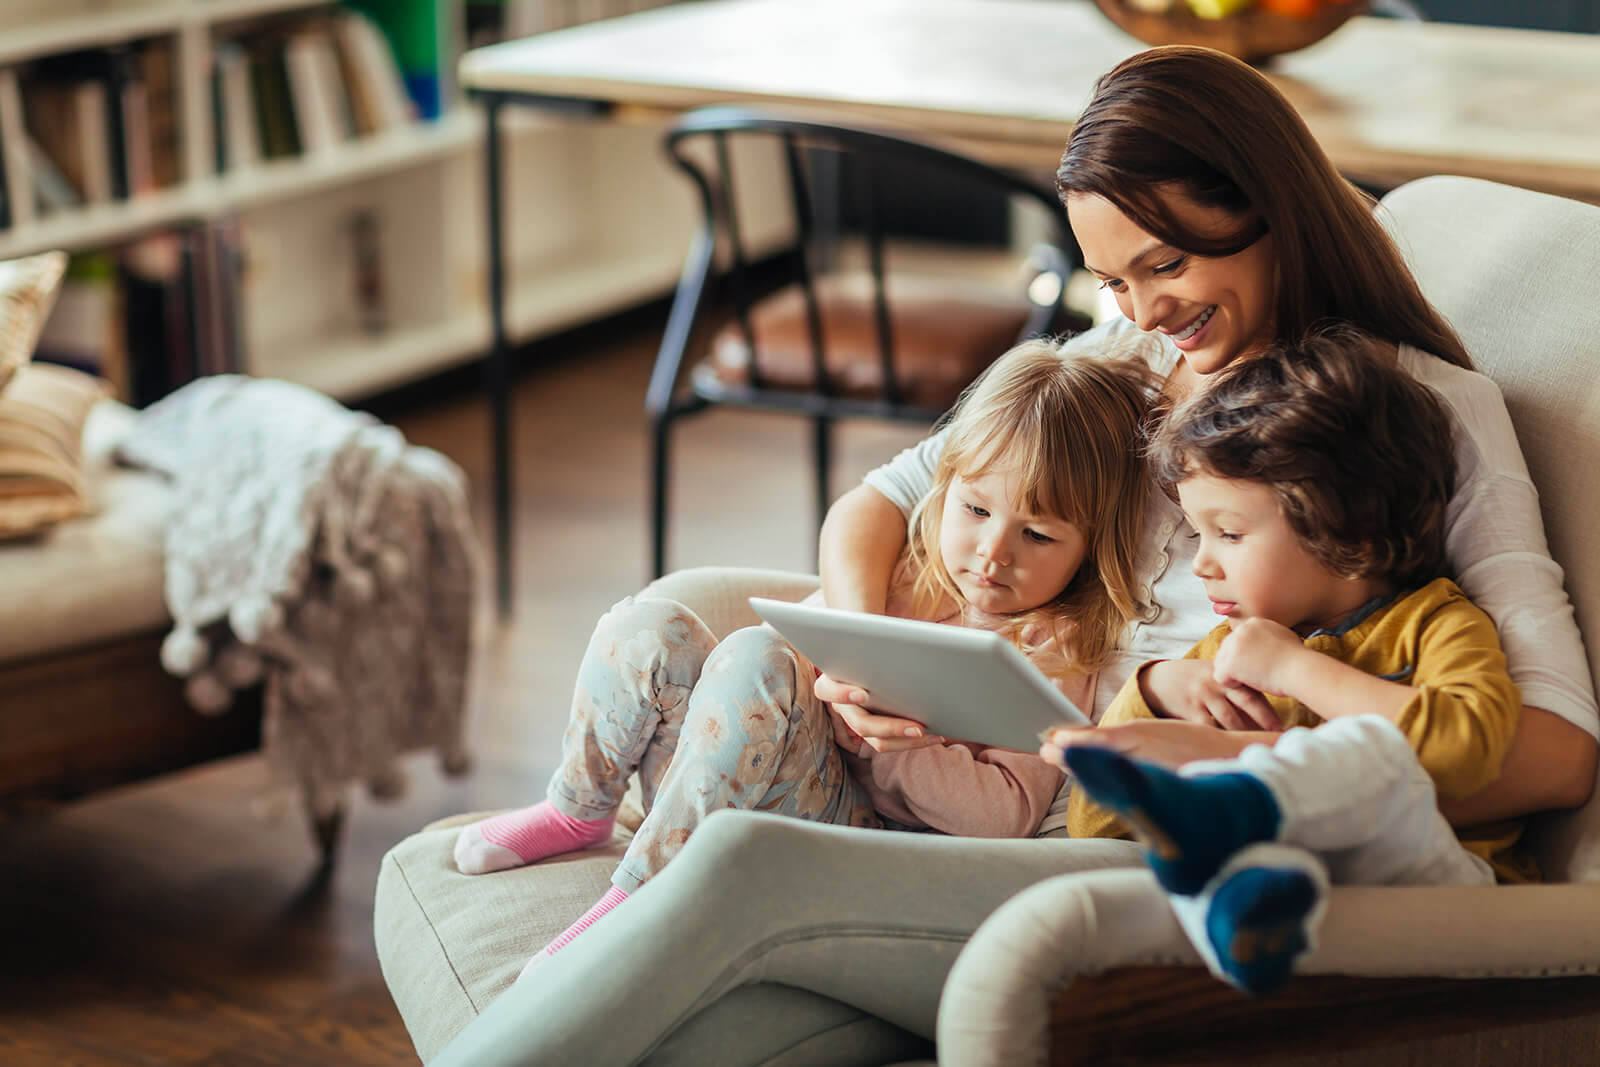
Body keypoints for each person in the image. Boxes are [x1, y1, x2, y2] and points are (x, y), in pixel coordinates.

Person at [428, 46, 1597, 1067]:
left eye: (1165, 266)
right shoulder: (1124, 351)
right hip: (975, 769)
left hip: (1140, 825)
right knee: (690, 628)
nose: (1141, 308)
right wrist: (864, 653)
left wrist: (1222, 743)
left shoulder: (1424, 411)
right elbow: (883, 501)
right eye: (1113, 275)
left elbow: (1555, 755)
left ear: (1269, 209)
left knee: (745, 869)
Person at [452, 339, 1157, 968]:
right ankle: (579, 805)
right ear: (945, 493)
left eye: (1036, 535)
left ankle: (634, 905)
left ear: (1089, 547)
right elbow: (792, 662)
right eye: (975, 510)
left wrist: (891, 741)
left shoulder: (1054, 646)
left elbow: (1006, 816)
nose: (992, 552)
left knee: (761, 658)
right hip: (725, 780)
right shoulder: (908, 569)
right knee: (652, 625)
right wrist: (822, 662)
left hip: (849, 835)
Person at [1050, 327, 1528, 996]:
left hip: (1437, 895)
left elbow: (1466, 750)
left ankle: (1245, 808)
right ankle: (1248, 895)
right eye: (1199, 531)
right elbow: (1093, 827)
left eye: (1230, 532)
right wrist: (1154, 693)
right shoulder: (1234, 648)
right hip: (1289, 919)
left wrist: (1295, 672)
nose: (1203, 562)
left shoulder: (1436, 624)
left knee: (1373, 755)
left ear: (1349, 525)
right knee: (1199, 860)